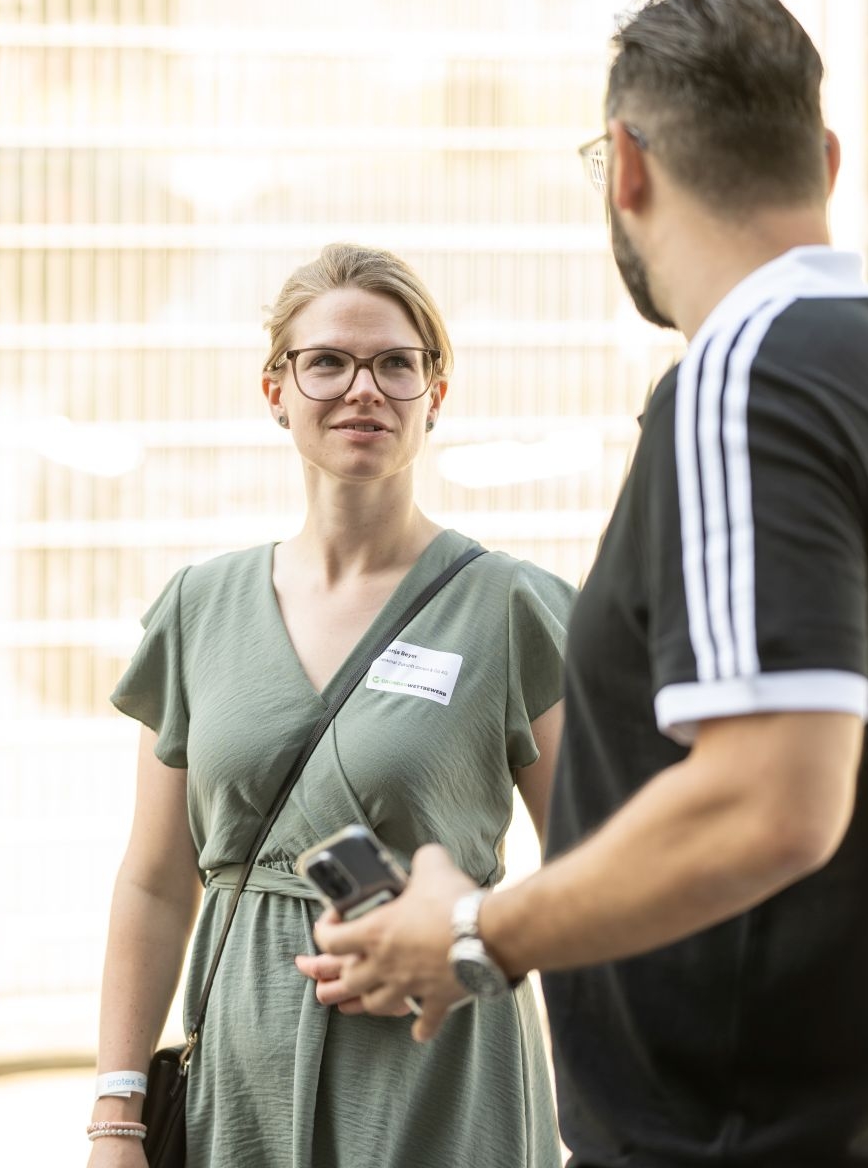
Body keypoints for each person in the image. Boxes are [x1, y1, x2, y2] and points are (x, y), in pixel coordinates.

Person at [308, 0, 868, 1168]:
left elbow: (772, 798)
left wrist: (475, 930)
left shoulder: (744, 381)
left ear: (626, 166)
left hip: (731, 1139)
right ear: (825, 160)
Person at [87, 242, 572, 1167]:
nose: (364, 389)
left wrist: (471, 935)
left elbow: (594, 863)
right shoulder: (199, 609)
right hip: (244, 1075)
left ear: (435, 392)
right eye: (328, 363)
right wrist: (118, 1110)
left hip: (441, 1065)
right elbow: (154, 881)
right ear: (276, 390)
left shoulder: (508, 607)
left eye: (396, 363)